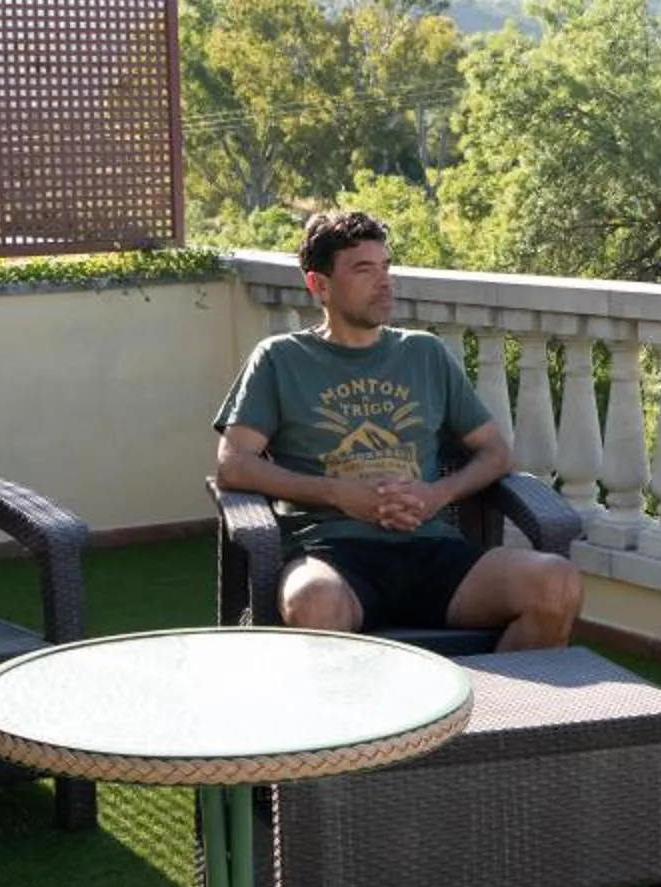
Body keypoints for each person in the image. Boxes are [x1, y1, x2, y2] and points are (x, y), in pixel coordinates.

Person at [214, 208, 583, 649]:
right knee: (313, 602)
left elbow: (496, 452)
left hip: (431, 550)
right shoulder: (280, 359)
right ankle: (360, 698)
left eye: (386, 267)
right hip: (332, 555)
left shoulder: (424, 353)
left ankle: (493, 696)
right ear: (319, 285)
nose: (384, 282)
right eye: (364, 270)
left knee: (557, 583)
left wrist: (437, 495)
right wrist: (338, 494)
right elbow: (234, 464)